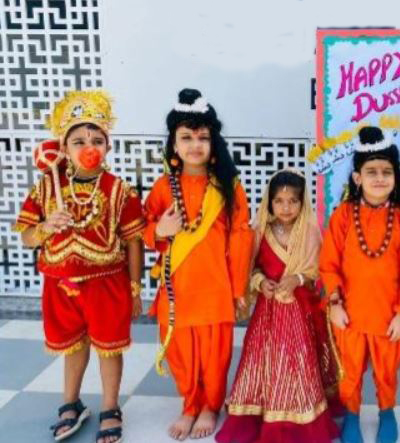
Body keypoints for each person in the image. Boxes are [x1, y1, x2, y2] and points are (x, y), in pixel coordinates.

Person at [14, 90, 145, 443]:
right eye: (79, 141)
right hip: (59, 285)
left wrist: (135, 289)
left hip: (107, 283)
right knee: (72, 347)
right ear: (63, 147)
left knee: (109, 348)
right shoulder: (46, 187)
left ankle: (110, 407)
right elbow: (26, 237)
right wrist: (45, 227)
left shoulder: (120, 190)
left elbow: (134, 242)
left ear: (108, 146)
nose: (90, 147)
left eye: (97, 141)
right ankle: (70, 403)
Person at [143, 88, 253, 440]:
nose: (195, 145)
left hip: (215, 288)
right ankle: (190, 405)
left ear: (213, 142)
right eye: (186, 138)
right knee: (181, 353)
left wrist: (239, 288)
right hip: (177, 288)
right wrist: (159, 230)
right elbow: (143, 227)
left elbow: (240, 237)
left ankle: (211, 406)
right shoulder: (163, 187)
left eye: (203, 138)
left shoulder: (228, 187)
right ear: (174, 144)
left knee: (215, 355)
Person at [216, 169, 339, 443]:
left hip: (298, 309)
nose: (286, 207)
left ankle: (297, 411)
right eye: (279, 201)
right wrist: (260, 282)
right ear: (269, 202)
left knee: (296, 360)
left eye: (293, 201)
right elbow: (251, 267)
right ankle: (262, 409)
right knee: (264, 359)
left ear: (303, 202)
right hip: (268, 310)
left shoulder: (309, 232)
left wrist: (297, 279)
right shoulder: (260, 231)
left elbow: (317, 270)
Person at [319, 126, 400, 443]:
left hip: (389, 317)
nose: (380, 178)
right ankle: (351, 415)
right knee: (350, 372)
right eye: (372, 172)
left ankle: (386, 413)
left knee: (386, 372)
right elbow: (328, 265)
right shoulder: (342, 216)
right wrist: (335, 304)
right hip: (349, 315)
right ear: (357, 178)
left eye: (386, 172)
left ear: (395, 177)